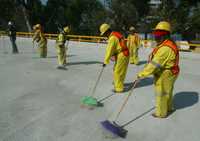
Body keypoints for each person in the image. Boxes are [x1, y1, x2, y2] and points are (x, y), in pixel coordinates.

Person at [137, 21, 180, 118]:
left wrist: (142, 74)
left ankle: (161, 113)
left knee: (161, 93)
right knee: (167, 91)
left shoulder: (165, 48)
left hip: (166, 73)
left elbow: (154, 64)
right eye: (155, 36)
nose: (156, 38)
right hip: (171, 72)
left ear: (165, 35)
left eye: (158, 36)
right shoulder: (166, 43)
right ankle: (168, 108)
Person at [100, 23, 129, 93]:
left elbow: (109, 50)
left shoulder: (112, 38)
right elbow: (117, 46)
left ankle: (119, 88)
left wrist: (105, 61)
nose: (104, 35)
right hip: (123, 53)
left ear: (107, 31)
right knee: (119, 70)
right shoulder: (116, 34)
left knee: (118, 71)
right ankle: (118, 82)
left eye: (104, 34)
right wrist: (114, 55)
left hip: (122, 54)